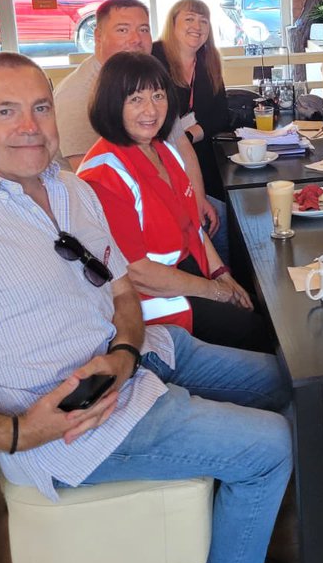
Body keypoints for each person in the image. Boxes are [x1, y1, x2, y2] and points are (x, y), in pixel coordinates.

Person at [0, 52, 295, 563]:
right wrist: (17, 433)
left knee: (291, 381)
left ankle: (232, 539)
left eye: (40, 107)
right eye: (5, 111)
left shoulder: (68, 188)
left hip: (140, 356)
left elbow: (120, 290)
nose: (30, 126)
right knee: (271, 445)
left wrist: (125, 351)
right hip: (76, 424)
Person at [78, 53, 262, 351]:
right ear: (111, 104)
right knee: (261, 335)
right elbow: (138, 273)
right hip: (155, 308)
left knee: (263, 310)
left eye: (158, 95)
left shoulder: (162, 149)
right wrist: (215, 291)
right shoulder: (104, 176)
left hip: (187, 280)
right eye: (135, 99)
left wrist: (221, 274)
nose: (150, 109)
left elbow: (192, 226)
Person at [53, 0, 227, 261]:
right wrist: (182, 213)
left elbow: (180, 144)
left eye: (143, 29)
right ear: (98, 37)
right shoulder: (79, 96)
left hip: (154, 195)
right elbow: (97, 193)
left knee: (222, 217)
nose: (136, 39)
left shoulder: (147, 82)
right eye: (123, 30)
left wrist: (197, 199)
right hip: (99, 227)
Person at [152, 0, 230, 202]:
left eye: (203, 21)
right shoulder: (152, 58)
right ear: (173, 23)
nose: (197, 26)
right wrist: (179, 139)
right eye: (189, 19)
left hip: (203, 157)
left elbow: (221, 115)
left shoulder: (208, 60)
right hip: (160, 159)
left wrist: (189, 135)